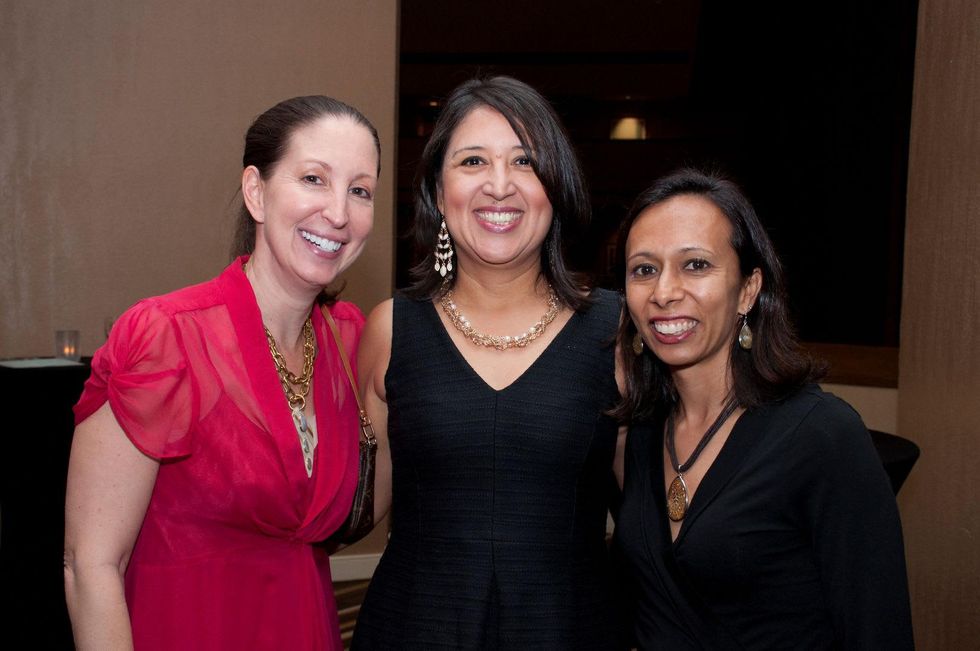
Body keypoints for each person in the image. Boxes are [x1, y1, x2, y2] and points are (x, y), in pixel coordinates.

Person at [63, 95, 380, 650]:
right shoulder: (165, 337)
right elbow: (90, 566)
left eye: (360, 191)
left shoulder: (352, 343)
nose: (338, 212)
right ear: (256, 191)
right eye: (313, 178)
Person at [352, 76, 624, 649]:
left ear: (557, 185)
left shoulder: (616, 331)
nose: (500, 186)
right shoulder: (391, 329)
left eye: (525, 162)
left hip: (569, 631)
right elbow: (353, 513)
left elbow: (659, 521)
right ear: (436, 186)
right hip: (413, 630)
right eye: (473, 160)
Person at [612, 168, 914, 649]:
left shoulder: (822, 435)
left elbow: (877, 630)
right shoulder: (645, 433)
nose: (664, 292)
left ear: (749, 290)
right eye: (644, 270)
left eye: (695, 265)